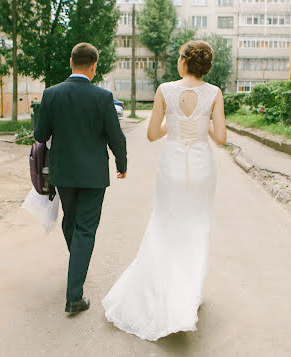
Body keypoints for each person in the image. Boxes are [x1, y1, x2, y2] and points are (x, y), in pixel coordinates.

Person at [102, 40, 226, 341]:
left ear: (184, 61)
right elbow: (220, 137)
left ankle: (162, 294)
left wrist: (175, 123)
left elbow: (152, 133)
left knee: (165, 226)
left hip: (171, 166)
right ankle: (187, 296)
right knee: (196, 228)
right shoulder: (214, 93)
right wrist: (203, 124)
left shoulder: (164, 90)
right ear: (205, 65)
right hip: (201, 169)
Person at [34, 42, 127, 314]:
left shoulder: (51, 94)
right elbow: (115, 136)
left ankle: (76, 269)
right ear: (94, 66)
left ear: (70, 62)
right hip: (94, 176)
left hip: (63, 174)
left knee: (71, 222)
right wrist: (122, 164)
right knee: (84, 229)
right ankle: (74, 295)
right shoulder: (102, 97)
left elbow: (40, 135)